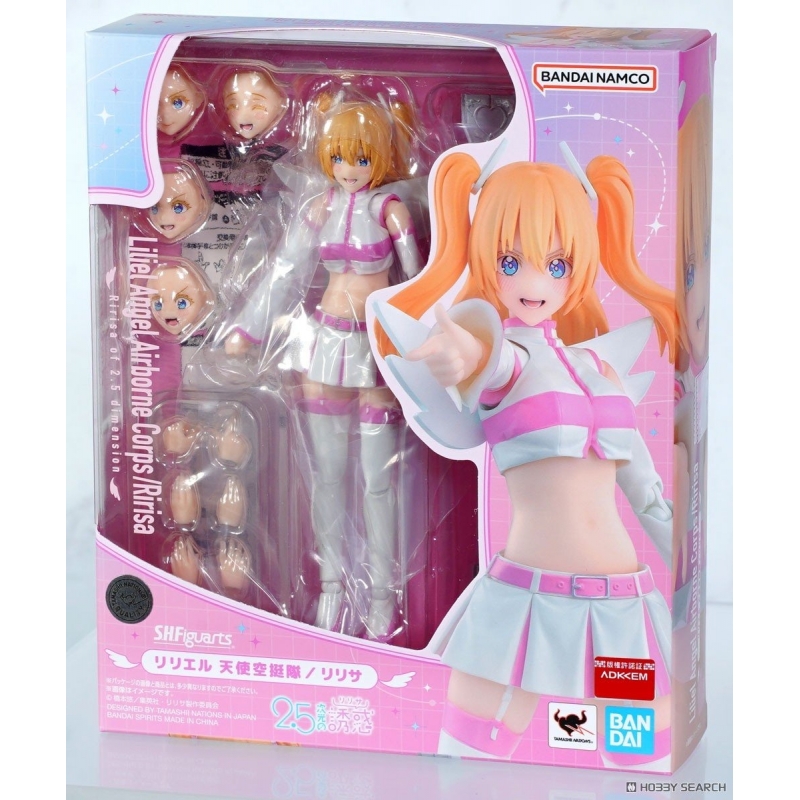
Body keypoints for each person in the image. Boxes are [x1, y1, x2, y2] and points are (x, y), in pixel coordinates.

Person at [374, 149, 678, 764]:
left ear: (578, 265)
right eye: (511, 262)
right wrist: (458, 352)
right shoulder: (506, 360)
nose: (534, 284)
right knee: (467, 763)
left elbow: (647, 495)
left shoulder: (600, 368)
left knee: (641, 762)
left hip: (621, 607)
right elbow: (479, 356)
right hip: (523, 606)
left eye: (556, 263)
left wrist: (696, 567)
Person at [226, 97, 424, 638]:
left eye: (361, 157)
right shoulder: (319, 208)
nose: (349, 168)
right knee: (328, 476)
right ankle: (333, 587)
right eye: (338, 157)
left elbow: (419, 285)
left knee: (379, 482)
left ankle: (382, 594)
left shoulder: (391, 211)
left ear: (380, 157)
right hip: (325, 346)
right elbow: (285, 271)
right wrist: (248, 328)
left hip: (379, 351)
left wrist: (423, 345)